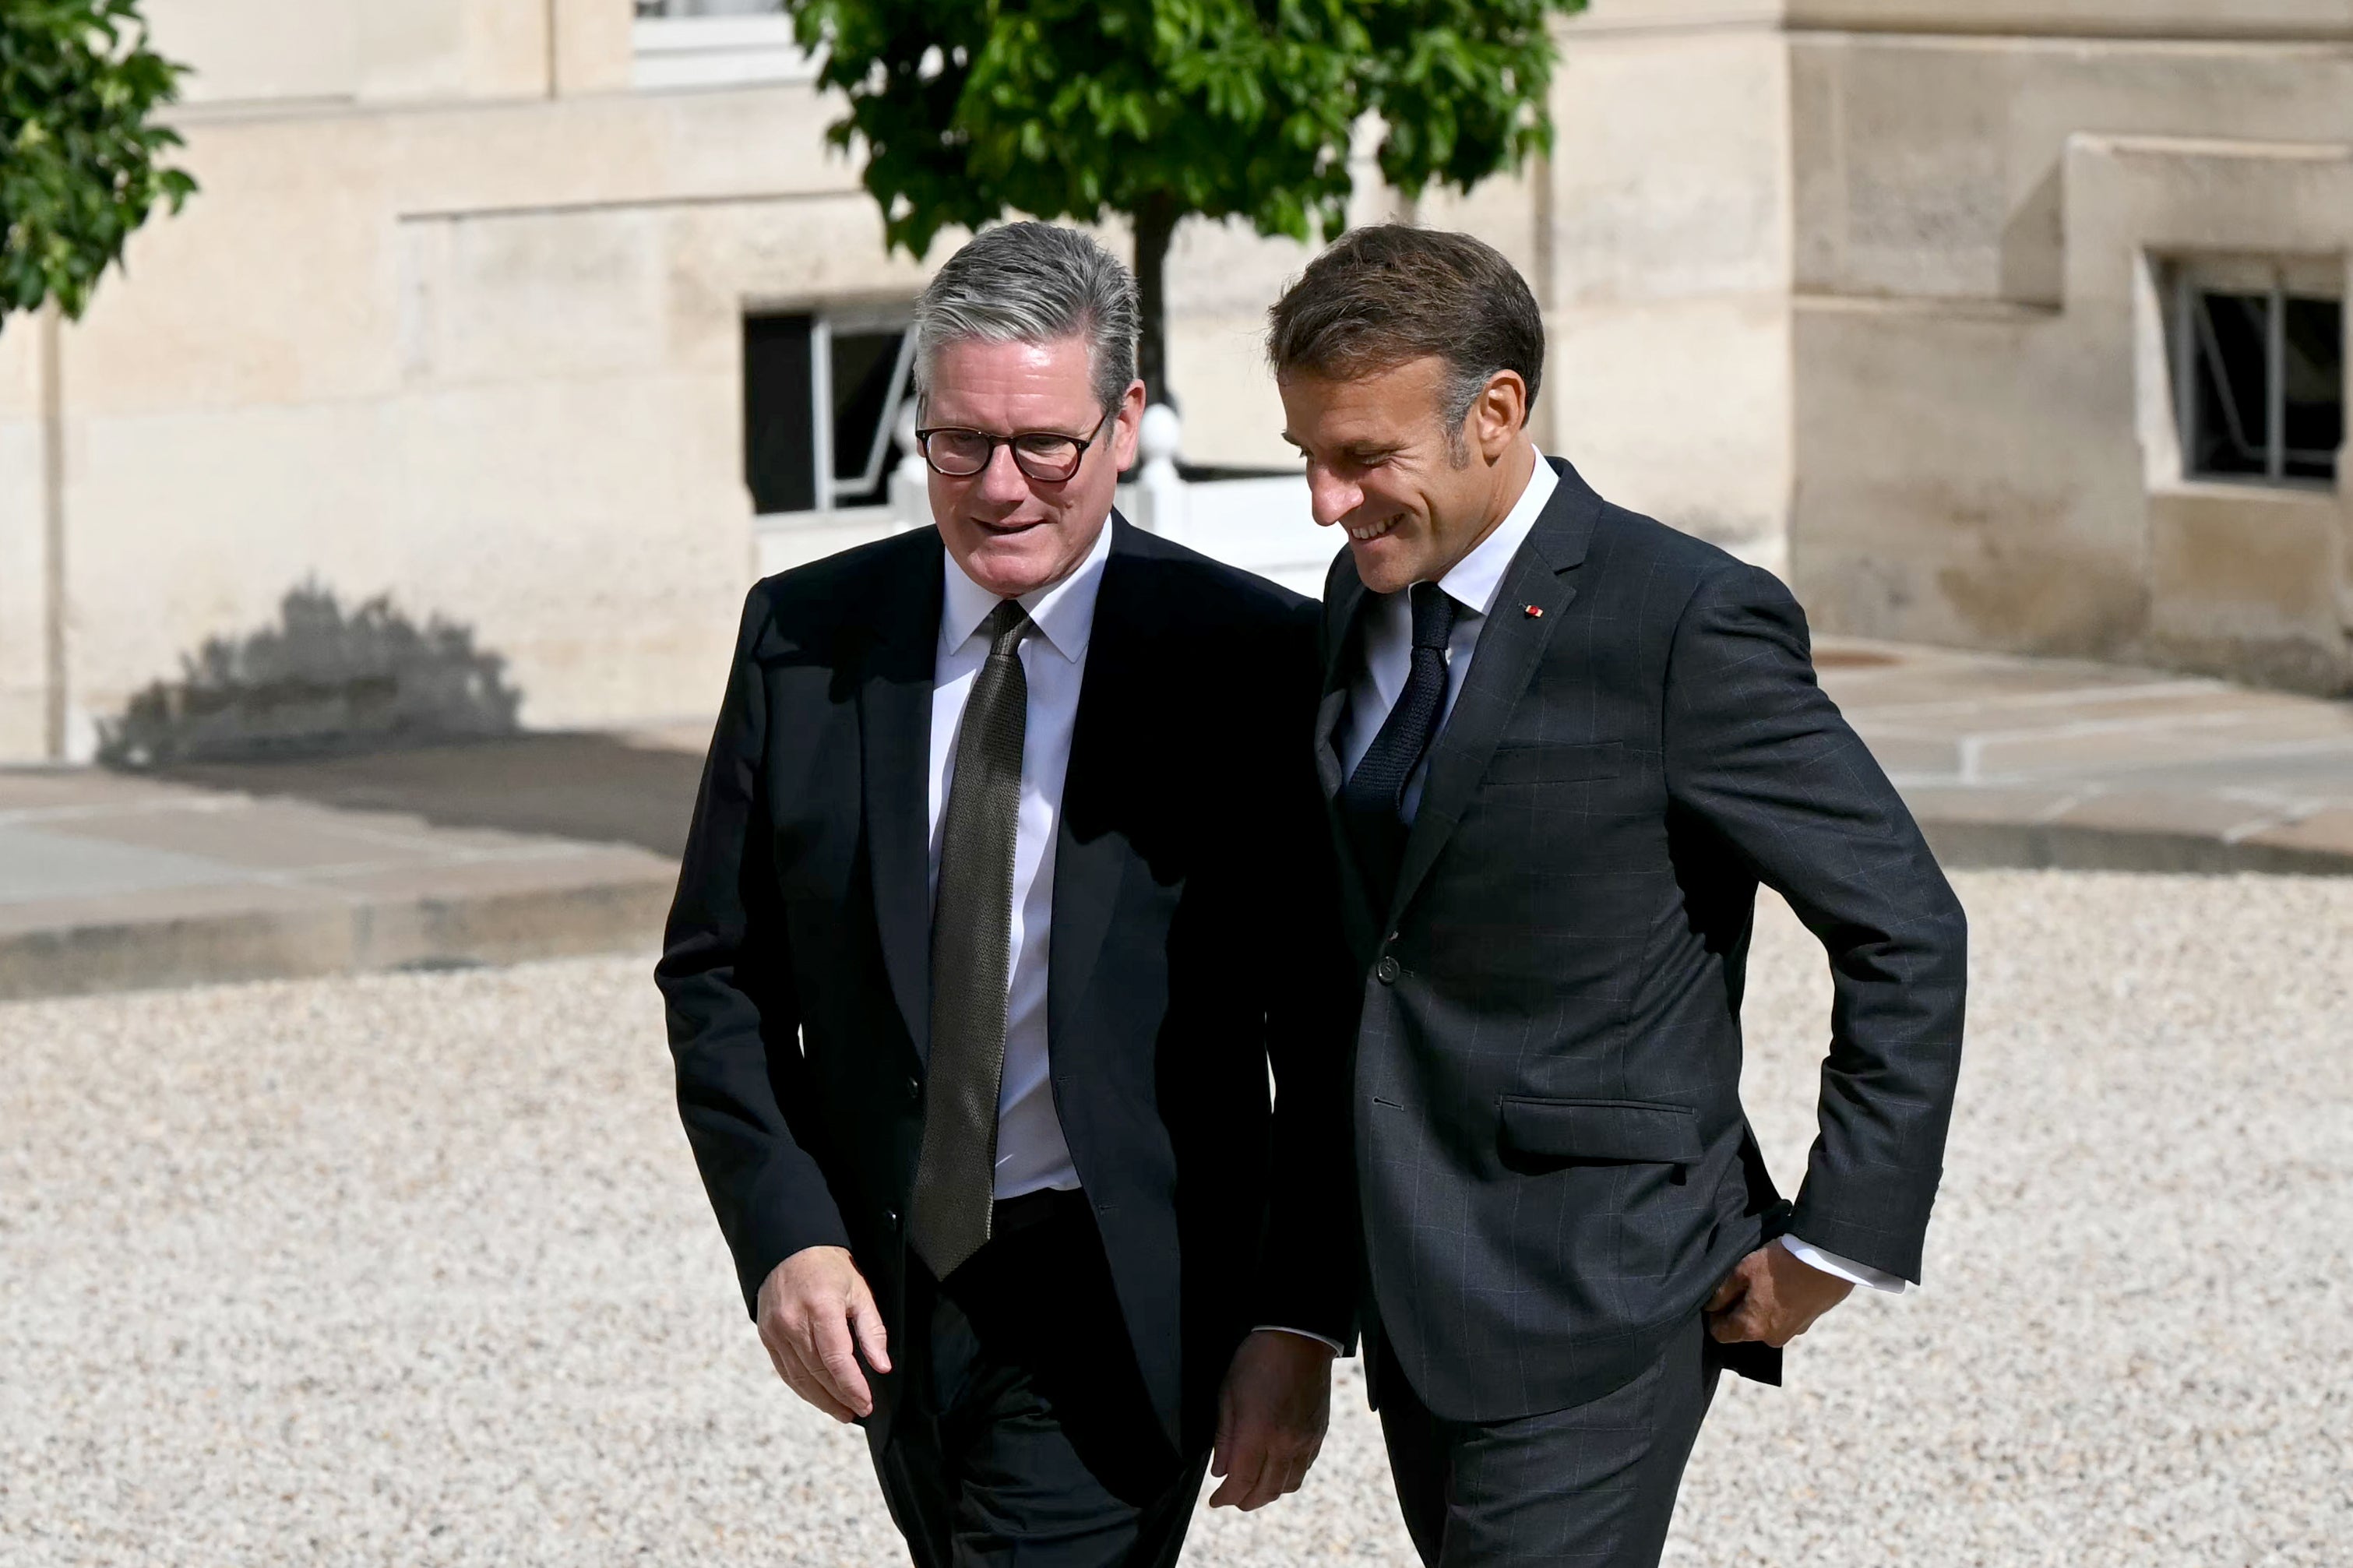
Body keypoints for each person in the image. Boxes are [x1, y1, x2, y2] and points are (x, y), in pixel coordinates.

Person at [1269, 224, 1969, 1568]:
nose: (1324, 498)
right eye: (1308, 452)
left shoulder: (1684, 622)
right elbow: (1364, 960)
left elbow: (1904, 923)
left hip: (1597, 1285)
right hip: (1413, 1284)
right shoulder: (1359, 601)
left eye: (1363, 458)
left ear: (1496, 413)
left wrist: (1838, 1237)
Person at [657, 221, 1355, 1567]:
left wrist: (1297, 1317)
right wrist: (784, 1236)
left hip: (1123, 1292)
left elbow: (1320, 1026)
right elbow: (718, 974)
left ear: (1125, 421)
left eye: (1045, 443)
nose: (999, 485)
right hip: (891, 1285)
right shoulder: (803, 637)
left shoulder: (1246, 662)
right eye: (959, 442)